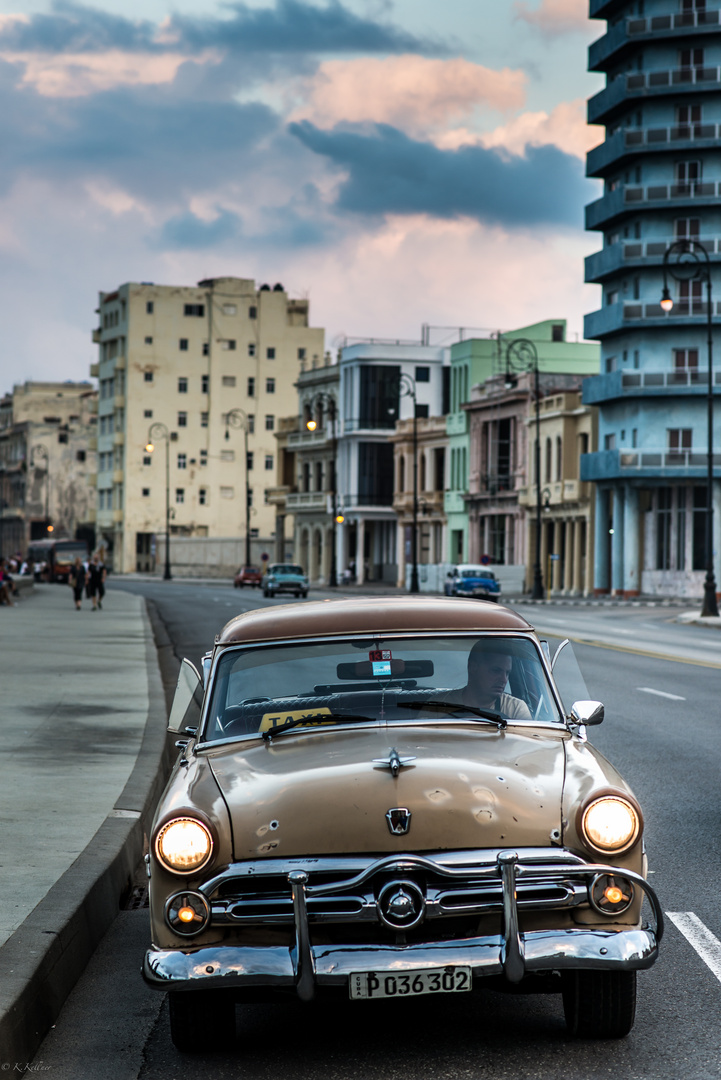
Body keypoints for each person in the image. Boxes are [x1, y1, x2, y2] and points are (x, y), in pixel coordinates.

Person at [451, 640, 532, 720]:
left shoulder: (516, 709)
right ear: (473, 668)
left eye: (507, 673)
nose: (504, 680)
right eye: (496, 671)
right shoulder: (442, 704)